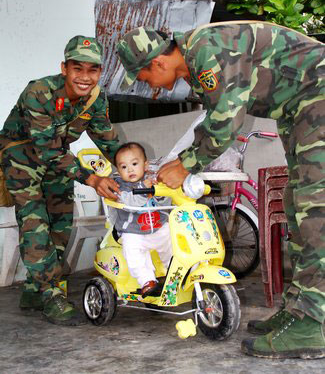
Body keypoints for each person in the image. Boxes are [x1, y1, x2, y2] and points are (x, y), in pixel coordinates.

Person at [116, 23, 325, 359]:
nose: (151, 90)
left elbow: (227, 119)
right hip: (301, 109)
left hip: (318, 98)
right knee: (297, 204)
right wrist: (178, 161)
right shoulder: (198, 66)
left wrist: (185, 165)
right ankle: (301, 310)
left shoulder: (204, 49)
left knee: (314, 210)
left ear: (157, 63)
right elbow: (211, 120)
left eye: (144, 80)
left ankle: (315, 322)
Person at [0, 35, 121, 326]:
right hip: (21, 155)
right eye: (77, 68)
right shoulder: (39, 92)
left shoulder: (96, 98)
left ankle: (34, 288)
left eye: (92, 70)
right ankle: (50, 292)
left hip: (58, 159)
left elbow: (108, 139)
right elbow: (47, 149)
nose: (84, 77)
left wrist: (134, 166)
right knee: (34, 222)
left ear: (99, 73)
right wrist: (91, 178)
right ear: (64, 68)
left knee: (60, 224)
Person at [113, 142, 172, 297]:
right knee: (132, 249)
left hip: (157, 227)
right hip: (133, 231)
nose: (130, 169)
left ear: (145, 165)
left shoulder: (152, 180)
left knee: (171, 237)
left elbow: (166, 203)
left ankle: (173, 270)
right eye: (124, 167)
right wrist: (142, 190)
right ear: (119, 171)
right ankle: (146, 280)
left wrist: (159, 192)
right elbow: (129, 203)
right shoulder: (120, 187)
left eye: (134, 164)